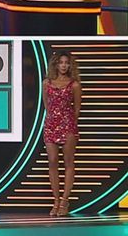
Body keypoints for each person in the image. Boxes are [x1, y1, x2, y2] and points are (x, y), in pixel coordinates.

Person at [42, 50, 81, 217]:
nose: (64, 65)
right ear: (56, 64)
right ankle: (56, 200)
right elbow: (46, 105)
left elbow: (77, 108)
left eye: (67, 63)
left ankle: (65, 201)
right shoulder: (46, 83)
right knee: (52, 161)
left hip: (68, 124)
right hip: (51, 124)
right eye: (61, 62)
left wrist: (69, 122)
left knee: (68, 162)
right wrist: (53, 118)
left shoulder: (74, 85)